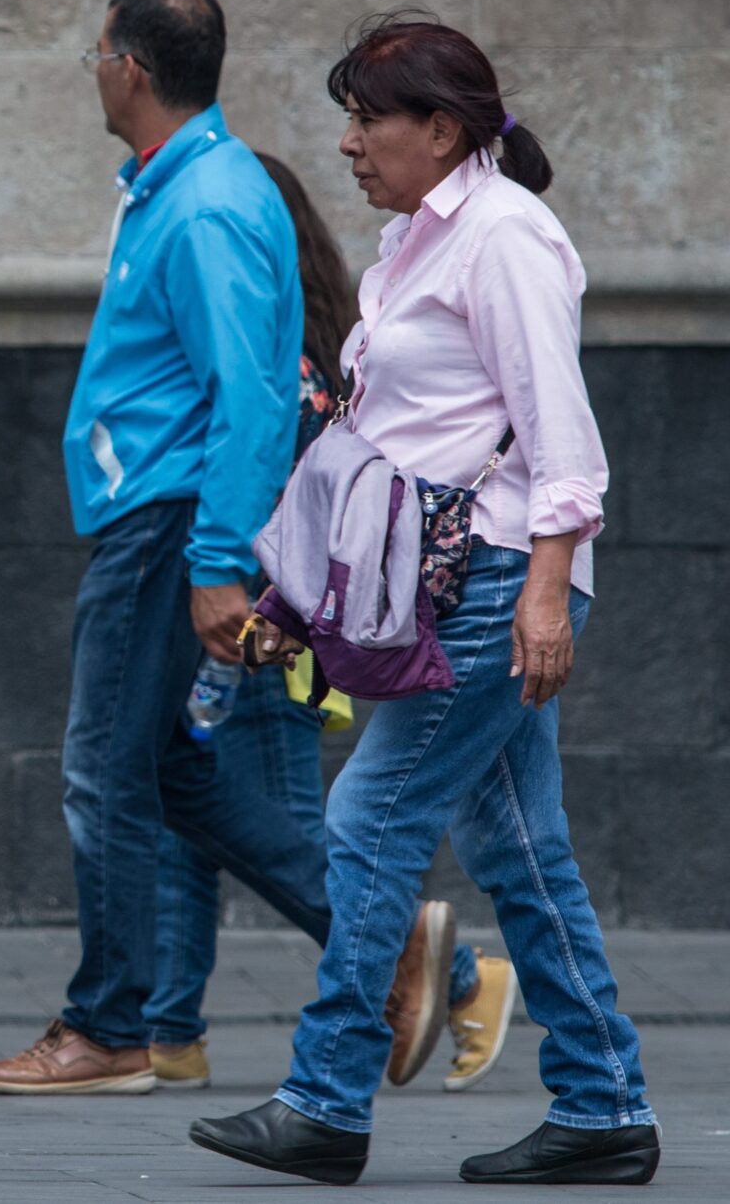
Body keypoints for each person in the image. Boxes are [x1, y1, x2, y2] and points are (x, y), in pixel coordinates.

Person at [192, 13, 657, 1187]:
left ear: (441, 129)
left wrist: (545, 598)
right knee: (519, 846)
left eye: (367, 118)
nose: (346, 142)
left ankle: (325, 1100)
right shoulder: (416, 237)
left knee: (367, 817)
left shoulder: (503, 237)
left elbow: (566, 444)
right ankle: (603, 1105)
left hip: (499, 579)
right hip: (448, 577)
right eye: (347, 116)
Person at [0, 0, 451, 1097]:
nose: (93, 72)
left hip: (171, 519)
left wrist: (219, 560)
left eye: (95, 55)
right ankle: (387, 945)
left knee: (100, 769)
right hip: (166, 513)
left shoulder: (211, 200)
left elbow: (249, 393)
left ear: (130, 67)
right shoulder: (183, 187)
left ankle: (110, 1025)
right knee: (171, 772)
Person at [144, 154, 489, 1095]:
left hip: (261, 633)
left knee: (283, 827)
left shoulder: (280, 371)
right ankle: (167, 1026)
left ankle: (455, 975)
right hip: (249, 628)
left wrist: (236, 597)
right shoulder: (309, 349)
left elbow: (281, 505)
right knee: (191, 810)